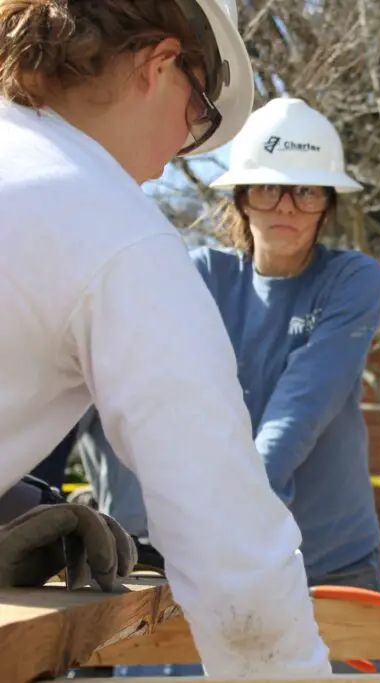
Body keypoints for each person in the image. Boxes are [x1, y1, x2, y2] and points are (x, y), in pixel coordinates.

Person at [0, 0, 331, 677]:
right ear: (158, 64)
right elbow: (232, 551)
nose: (176, 154)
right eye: (199, 117)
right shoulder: (112, 227)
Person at [78, 96, 380, 672]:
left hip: (326, 560)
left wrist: (224, 525)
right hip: (199, 563)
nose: (286, 208)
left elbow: (301, 405)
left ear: (327, 203)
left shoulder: (353, 280)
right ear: (241, 198)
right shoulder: (200, 276)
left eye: (306, 191)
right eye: (268, 189)